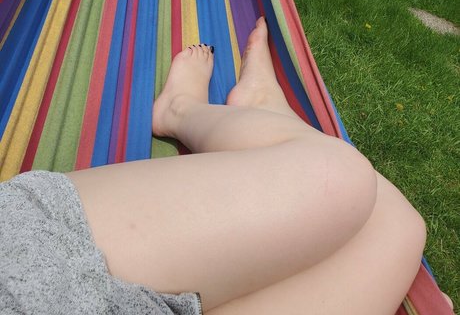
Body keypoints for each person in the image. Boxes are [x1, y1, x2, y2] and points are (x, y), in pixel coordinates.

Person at [0, 17, 437, 314]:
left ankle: (207, 112)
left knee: (378, 209)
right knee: (390, 219)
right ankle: (212, 111)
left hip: (43, 282)